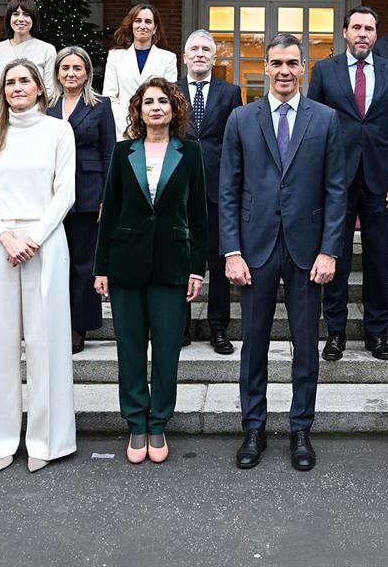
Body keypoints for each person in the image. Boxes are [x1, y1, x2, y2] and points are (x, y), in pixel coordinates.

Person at [220, 34, 346, 472]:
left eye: (293, 62)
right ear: (266, 68)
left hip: (307, 251)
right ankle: (253, 428)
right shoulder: (241, 118)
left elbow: (336, 190)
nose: (285, 70)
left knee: (306, 346)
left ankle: (300, 430)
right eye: (276, 63)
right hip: (253, 250)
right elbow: (229, 190)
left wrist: (330, 251)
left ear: (304, 66)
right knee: (253, 344)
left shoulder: (326, 119)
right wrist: (231, 250)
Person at [94, 77, 208, 464]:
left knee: (166, 351)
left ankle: (158, 422)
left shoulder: (190, 152)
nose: (156, 107)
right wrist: (101, 267)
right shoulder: (123, 150)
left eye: (163, 101)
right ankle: (135, 423)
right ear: (138, 111)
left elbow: (199, 215)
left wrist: (197, 269)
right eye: (148, 102)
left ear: (174, 109)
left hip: (172, 264)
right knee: (129, 349)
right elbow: (109, 210)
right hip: (126, 263)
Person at [0, 59, 76, 473]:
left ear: (39, 87)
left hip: (45, 242)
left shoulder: (57, 131)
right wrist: (5, 236)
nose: (17, 87)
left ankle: (47, 440)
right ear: (2, 89)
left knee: (46, 343)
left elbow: (65, 192)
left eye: (24, 81)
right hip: (0, 244)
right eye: (10, 82)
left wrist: (32, 238)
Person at [308, 6, 388, 362]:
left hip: (381, 181)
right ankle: (335, 332)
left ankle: (376, 333)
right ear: (345, 32)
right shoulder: (324, 71)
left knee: (378, 259)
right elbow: (312, 126)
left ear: (376, 34)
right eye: (357, 28)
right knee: (334, 255)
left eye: (369, 28)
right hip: (336, 180)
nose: (363, 33)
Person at [175, 31, 243, 353]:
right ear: (185, 56)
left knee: (218, 261)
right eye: (194, 49)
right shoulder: (170, 91)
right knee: (180, 258)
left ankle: (218, 328)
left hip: (219, 187)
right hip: (179, 187)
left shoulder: (230, 92)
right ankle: (181, 324)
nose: (200, 54)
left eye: (206, 50)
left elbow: (237, 142)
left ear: (214, 58)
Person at [48, 46, 115, 354]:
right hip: (52, 193)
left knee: (84, 262)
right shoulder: (46, 105)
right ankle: (54, 323)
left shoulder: (100, 105)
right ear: (57, 73)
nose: (71, 73)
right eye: (65, 68)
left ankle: (79, 327)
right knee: (56, 261)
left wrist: (106, 196)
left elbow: (109, 152)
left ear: (87, 72)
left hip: (89, 191)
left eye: (77, 68)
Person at [102, 4, 178, 140]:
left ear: (155, 29)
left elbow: (169, 97)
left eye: (148, 22)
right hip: (124, 133)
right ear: (131, 25)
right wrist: (127, 126)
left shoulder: (168, 58)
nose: (142, 26)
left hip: (156, 131)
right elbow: (109, 97)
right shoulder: (115, 56)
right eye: (138, 21)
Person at [0, 0, 57, 115]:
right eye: (16, 14)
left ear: (33, 19)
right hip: (3, 118)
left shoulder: (47, 50)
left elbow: (49, 89)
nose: (21, 19)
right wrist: (2, 115)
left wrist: (30, 115)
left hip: (37, 117)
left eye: (26, 14)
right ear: (9, 18)